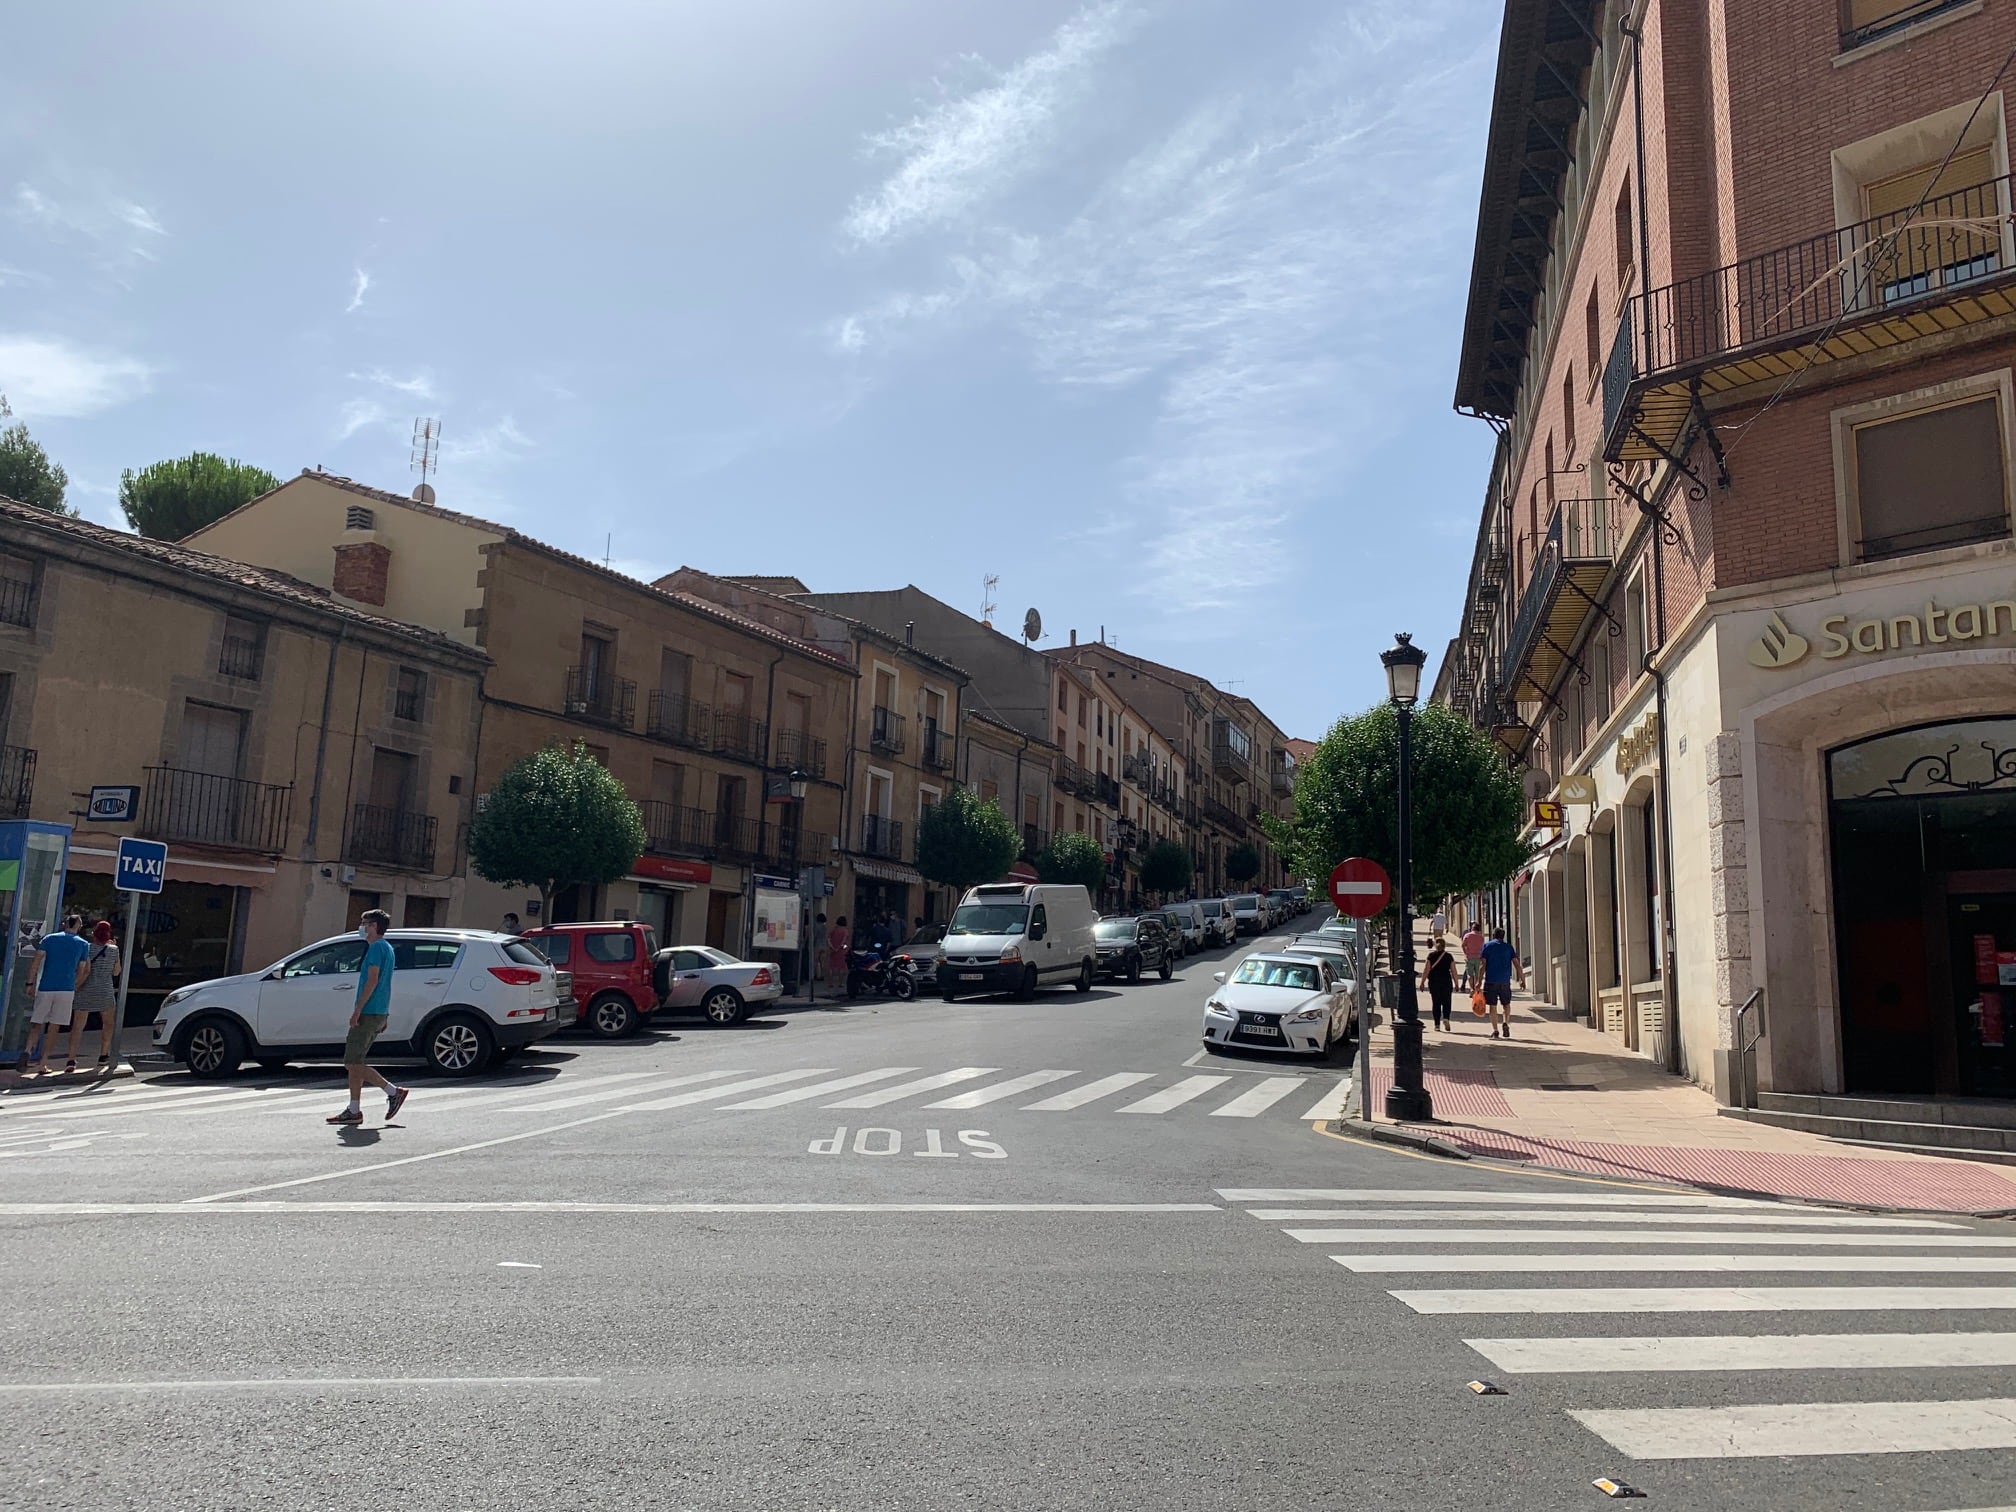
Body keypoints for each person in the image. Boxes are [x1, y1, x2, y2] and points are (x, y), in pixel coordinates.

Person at [328, 909, 409, 1126]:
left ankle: (393, 1091)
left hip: (369, 1011)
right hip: (378, 1011)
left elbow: (372, 980)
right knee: (356, 1062)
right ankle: (354, 1110)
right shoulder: (387, 949)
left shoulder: (375, 949)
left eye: (364, 923)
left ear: (373, 926)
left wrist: (358, 1010)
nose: (361, 927)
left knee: (352, 1062)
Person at [22, 914, 90, 1074]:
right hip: (65, 989)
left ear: (65, 924)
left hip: (46, 986)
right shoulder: (83, 944)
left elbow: (36, 961)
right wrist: (75, 985)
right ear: (78, 926)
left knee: (37, 1022)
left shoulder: (49, 939)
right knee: (54, 1026)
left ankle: (27, 1050)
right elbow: (83, 970)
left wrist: (30, 983)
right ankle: (43, 1063)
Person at [69, 919, 123, 1070]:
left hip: (85, 989)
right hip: (105, 990)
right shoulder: (113, 950)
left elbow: (80, 968)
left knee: (78, 1025)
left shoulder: (86, 947)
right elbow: (117, 971)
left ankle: (71, 1058)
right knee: (108, 1023)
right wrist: (114, 948)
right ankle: (103, 1055)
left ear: (94, 934)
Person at [1479, 926, 1525, 1040]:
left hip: (1491, 980)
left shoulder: (1487, 946)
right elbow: (1517, 965)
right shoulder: (1509, 947)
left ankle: (1495, 1031)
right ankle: (1505, 1022)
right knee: (1506, 1004)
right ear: (1503, 936)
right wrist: (1522, 980)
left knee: (1493, 1006)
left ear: (1493, 935)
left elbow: (1482, 965)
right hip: (1505, 981)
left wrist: (1478, 982)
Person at [1421, 935, 1456, 1032]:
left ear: (1435, 945)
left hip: (1434, 982)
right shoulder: (1449, 956)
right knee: (1446, 1002)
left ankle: (1437, 1024)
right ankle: (1446, 1018)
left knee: (1436, 1003)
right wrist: (1457, 983)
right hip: (1446, 982)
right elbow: (1454, 971)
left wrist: (1422, 982)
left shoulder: (1431, 956)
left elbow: (1426, 970)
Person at [1460, 923, 1486, 992]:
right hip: (1478, 957)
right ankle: (1476, 988)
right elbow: (1483, 947)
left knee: (1470, 974)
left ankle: (1471, 989)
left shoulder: (1467, 935)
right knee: (1477, 974)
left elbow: (1463, 945)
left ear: (1472, 928)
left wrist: (1465, 953)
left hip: (1469, 957)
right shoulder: (1481, 937)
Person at [827, 915, 850, 983]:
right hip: (842, 951)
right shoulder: (845, 931)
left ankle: (830, 982)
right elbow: (844, 941)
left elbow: (828, 939)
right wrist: (839, 947)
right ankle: (840, 983)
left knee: (831, 967)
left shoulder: (833, 929)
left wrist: (832, 947)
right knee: (841, 967)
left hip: (832, 950)